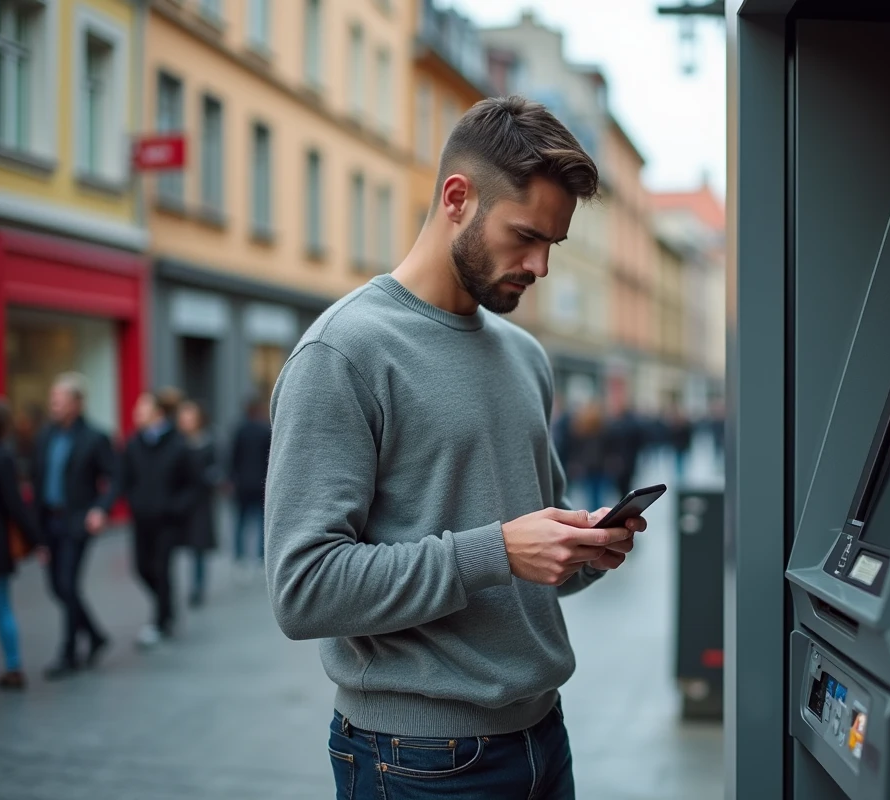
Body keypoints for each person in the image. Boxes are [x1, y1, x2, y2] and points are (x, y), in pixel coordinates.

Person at [265, 96, 646, 800]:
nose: (539, 267)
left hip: (542, 737)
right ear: (457, 197)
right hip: (417, 759)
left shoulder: (526, 356)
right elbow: (302, 589)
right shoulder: (343, 351)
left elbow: (523, 554)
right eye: (525, 235)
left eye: (553, 245)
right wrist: (498, 550)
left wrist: (583, 547)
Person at [31, 373, 116, 680]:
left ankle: (68, 653)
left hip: (76, 522)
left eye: (60, 400)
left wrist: (99, 509)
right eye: (52, 400)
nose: (53, 405)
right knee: (57, 587)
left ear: (77, 403)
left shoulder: (94, 437)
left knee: (67, 584)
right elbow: (38, 481)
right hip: (48, 522)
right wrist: (35, 534)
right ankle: (94, 635)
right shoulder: (46, 436)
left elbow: (115, 478)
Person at [121, 392, 194, 646]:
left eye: (141, 409)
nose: (136, 413)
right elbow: (126, 479)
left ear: (158, 413)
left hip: (167, 522)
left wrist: (175, 508)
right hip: (142, 520)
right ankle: (166, 607)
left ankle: (160, 622)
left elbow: (193, 484)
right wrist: (134, 502)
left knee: (162, 570)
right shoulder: (134, 444)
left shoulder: (178, 444)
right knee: (142, 568)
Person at [0, 399, 45, 690]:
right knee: (2, 605)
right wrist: (36, 539)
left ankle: (14, 666)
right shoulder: (3, 456)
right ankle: (14, 665)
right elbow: (14, 504)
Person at [177, 400, 218, 608]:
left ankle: (198, 587)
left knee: (198, 547)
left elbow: (216, 470)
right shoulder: (177, 444)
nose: (186, 422)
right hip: (179, 504)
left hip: (200, 504)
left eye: (190, 418)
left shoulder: (206, 442)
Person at [230, 398, 270, 577]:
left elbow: (233, 457)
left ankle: (240, 558)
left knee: (240, 522)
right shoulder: (264, 430)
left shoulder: (240, 430)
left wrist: (231, 479)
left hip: (242, 483)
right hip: (261, 482)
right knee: (261, 521)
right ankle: (260, 557)